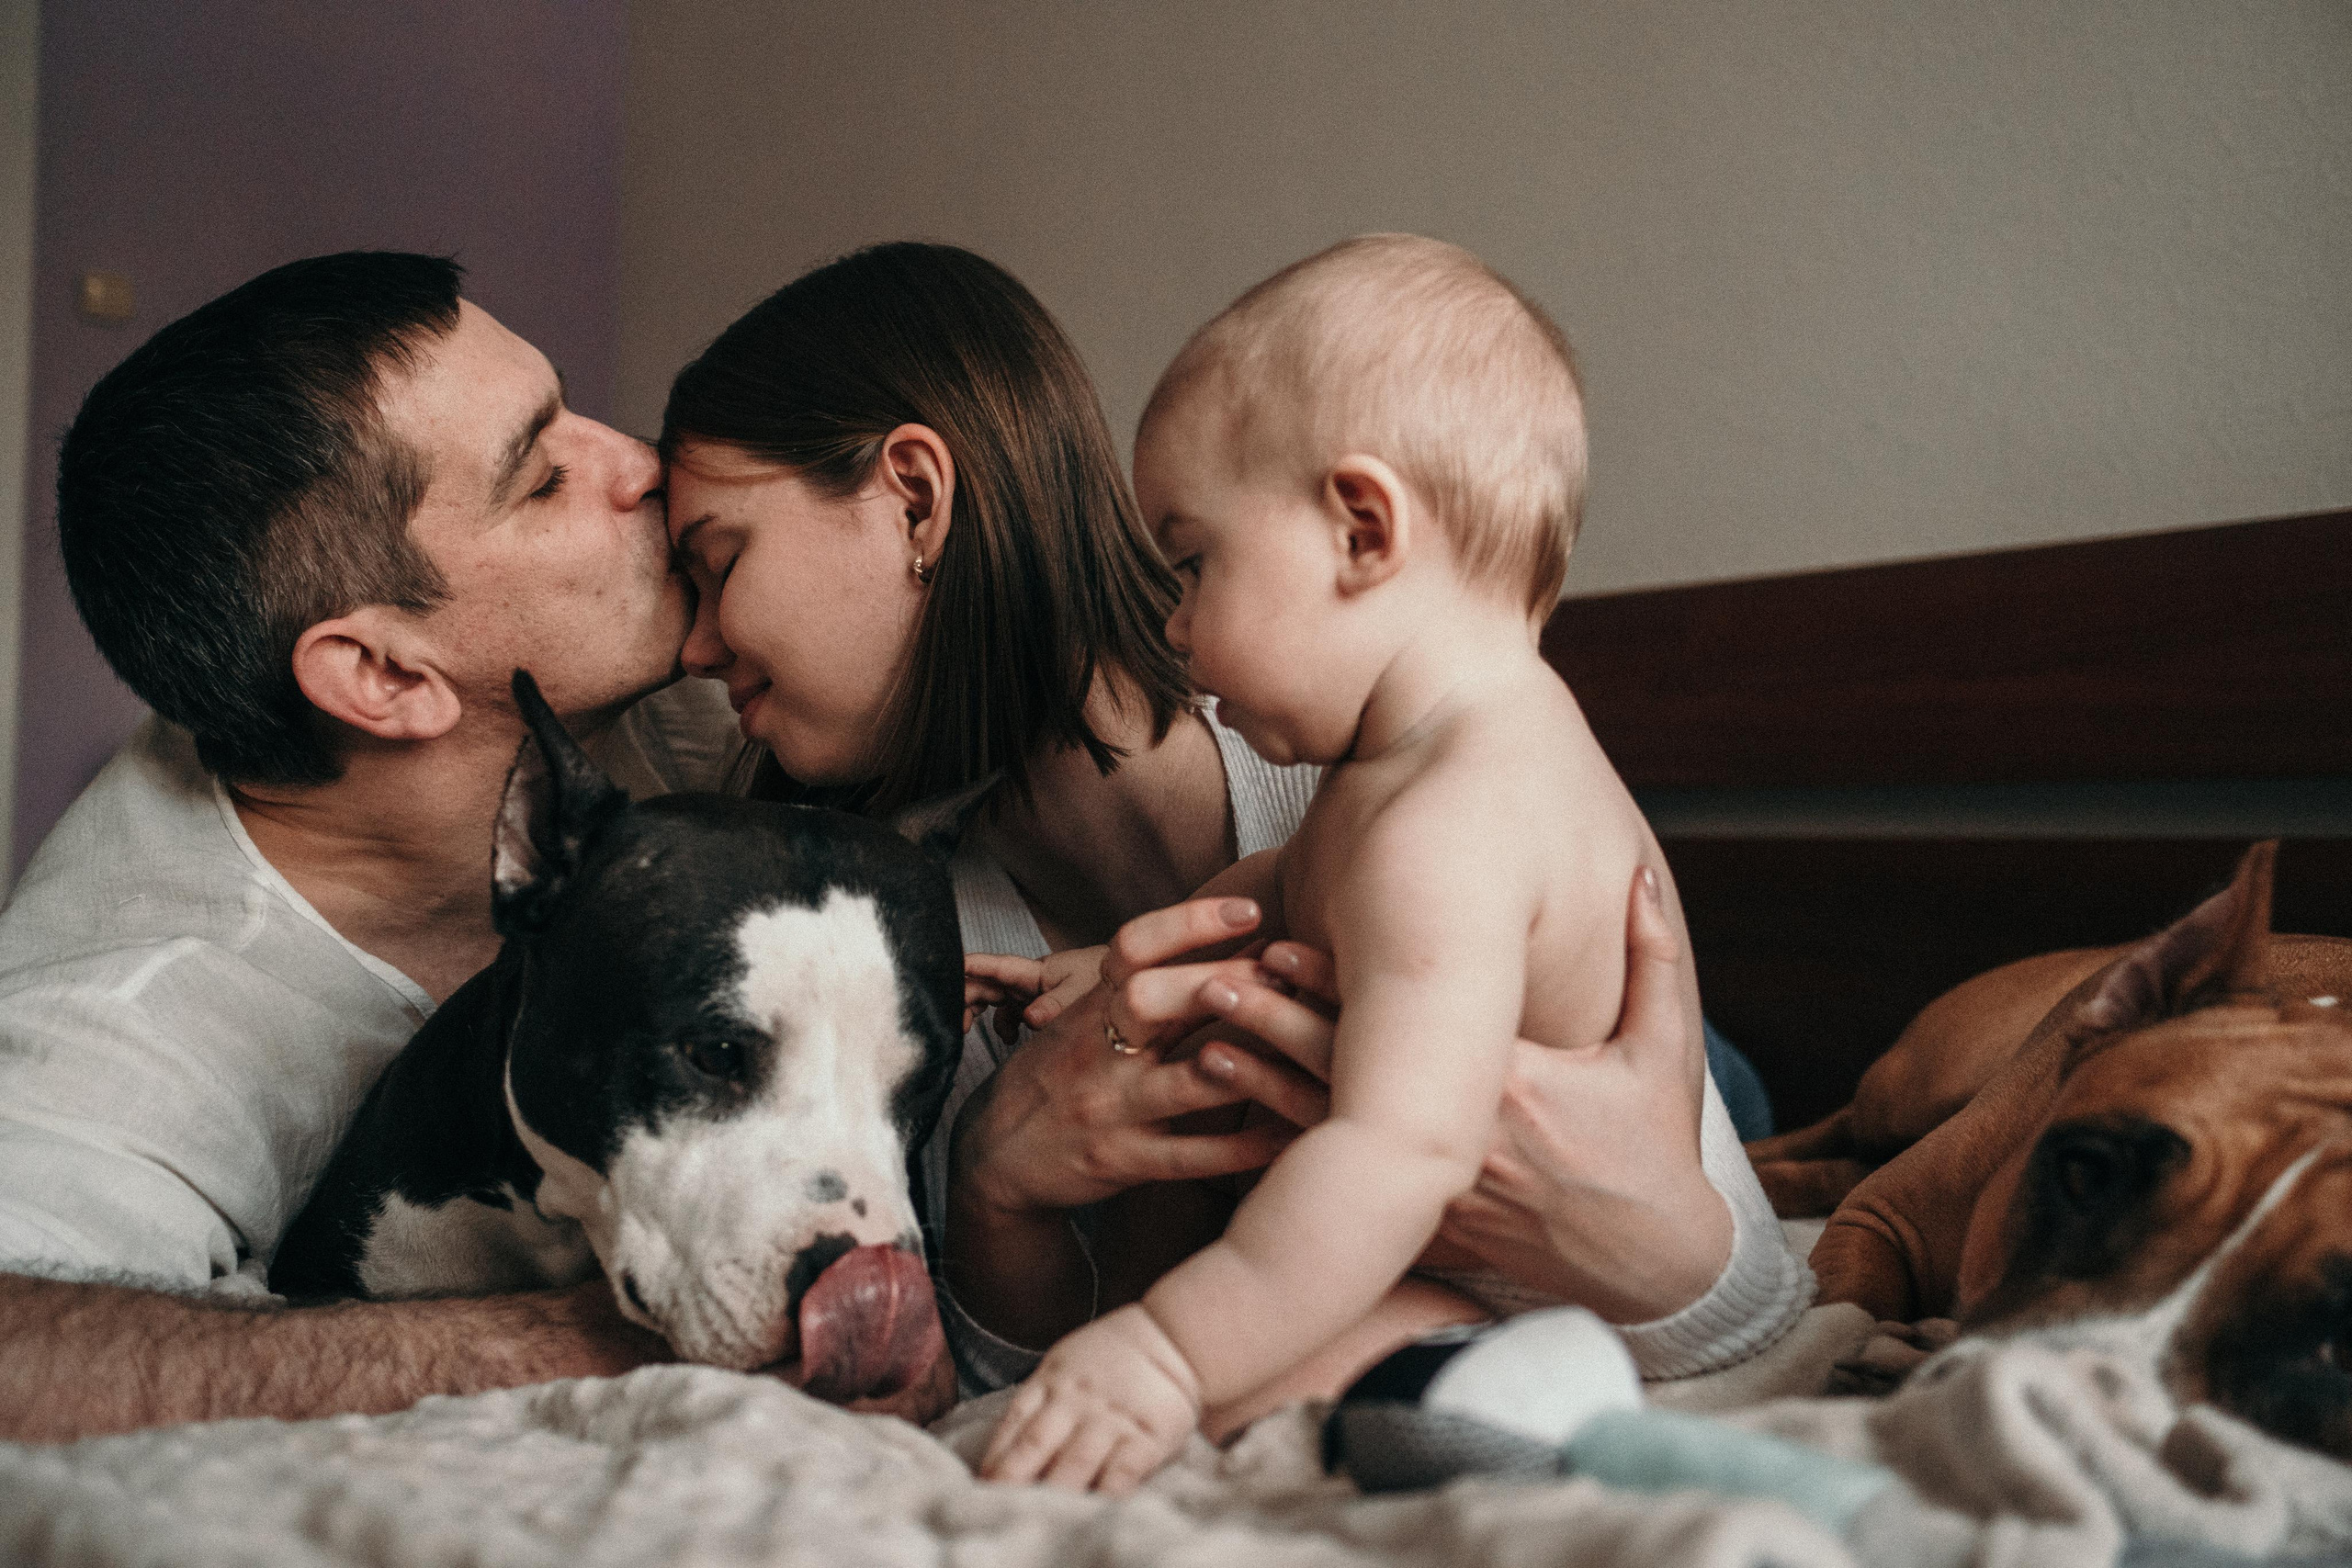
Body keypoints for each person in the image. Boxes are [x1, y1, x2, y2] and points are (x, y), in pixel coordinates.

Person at [658, 242, 1810, 1436]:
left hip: (1647, 1216)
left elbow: (1429, 1153)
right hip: (1442, 1278)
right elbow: (1033, 1376)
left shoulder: (1419, 794)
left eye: (719, 563)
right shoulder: (916, 941)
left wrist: (1164, 1354)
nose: (692, 648)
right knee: (1241, 1405)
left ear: (915, 495)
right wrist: (1007, 1167)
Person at [978, 233, 1804, 1493]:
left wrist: (1167, 1351)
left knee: (1202, 1403)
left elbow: (1397, 1151)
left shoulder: (1455, 819)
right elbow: (1282, 890)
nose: (1174, 628)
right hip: (1497, 1276)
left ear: (1362, 528)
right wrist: (1113, 967)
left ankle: (1532, 1414)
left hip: (1621, 1315)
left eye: (1192, 565)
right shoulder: (1405, 766)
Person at [0, 252, 750, 1440]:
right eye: (545, 477)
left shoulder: (634, 678)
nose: (642, 465)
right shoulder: (133, 1021)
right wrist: (567, 1339)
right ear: (385, 674)